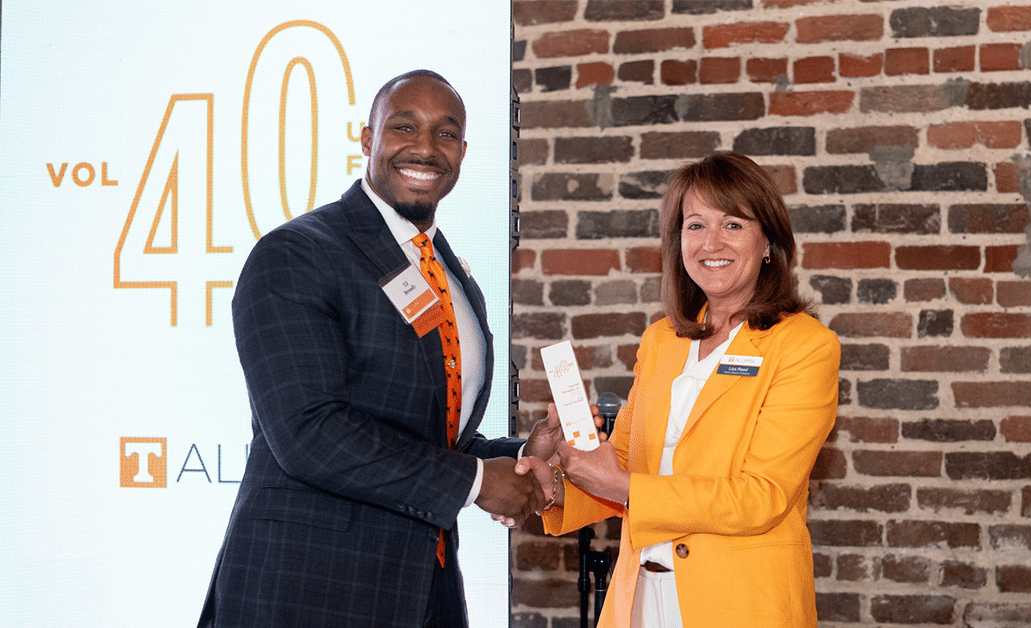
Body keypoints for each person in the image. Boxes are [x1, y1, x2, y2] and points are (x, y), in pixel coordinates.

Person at [199, 70, 563, 628]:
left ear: (462, 152)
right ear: (367, 140)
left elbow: (422, 432)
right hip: (306, 592)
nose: (424, 147)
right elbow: (309, 432)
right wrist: (474, 483)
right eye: (403, 127)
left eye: (445, 134)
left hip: (424, 590)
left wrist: (513, 458)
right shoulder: (297, 254)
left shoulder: (450, 272)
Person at [536, 151, 841, 627]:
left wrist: (621, 484)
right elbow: (625, 468)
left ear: (768, 243)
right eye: (695, 225)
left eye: (734, 224)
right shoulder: (662, 340)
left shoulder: (805, 346)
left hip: (743, 605)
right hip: (640, 598)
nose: (711, 243)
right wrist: (558, 479)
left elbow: (760, 497)